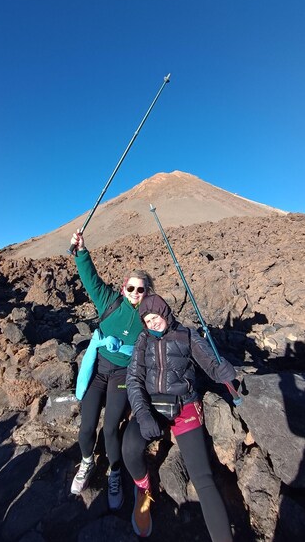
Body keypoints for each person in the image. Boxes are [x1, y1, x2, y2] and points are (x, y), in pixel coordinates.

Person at [122, 294, 236, 541]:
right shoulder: (143, 340)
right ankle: (143, 489)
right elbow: (134, 380)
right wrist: (143, 415)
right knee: (130, 448)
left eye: (156, 317)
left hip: (184, 405)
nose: (152, 323)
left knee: (203, 477)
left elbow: (210, 363)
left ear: (166, 313)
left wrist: (223, 370)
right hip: (152, 405)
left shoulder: (187, 335)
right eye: (147, 320)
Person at [69, 230, 154, 511]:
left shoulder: (147, 315)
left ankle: (115, 473)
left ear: (147, 293)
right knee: (86, 429)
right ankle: (87, 463)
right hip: (99, 369)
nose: (135, 294)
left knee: (110, 430)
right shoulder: (108, 301)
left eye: (141, 290)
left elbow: (166, 328)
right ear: (122, 288)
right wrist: (82, 250)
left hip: (122, 375)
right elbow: (90, 277)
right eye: (131, 288)